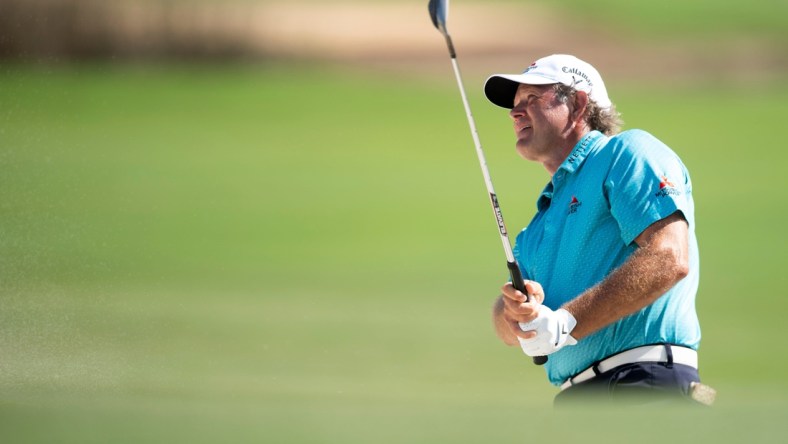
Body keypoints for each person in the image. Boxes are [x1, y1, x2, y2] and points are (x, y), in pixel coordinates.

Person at [484, 54, 712, 406]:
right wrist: (514, 314)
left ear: (577, 104)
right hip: (578, 399)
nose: (515, 113)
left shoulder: (626, 153)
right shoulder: (538, 224)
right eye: (514, 105)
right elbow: (506, 324)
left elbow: (669, 257)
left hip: (644, 382)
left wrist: (565, 323)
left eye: (532, 99)